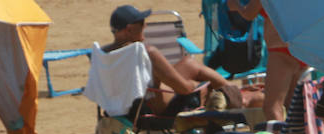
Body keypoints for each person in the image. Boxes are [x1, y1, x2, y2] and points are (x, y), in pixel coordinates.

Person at [103, 5, 243, 115]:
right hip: (160, 110)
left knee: (189, 63)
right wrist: (199, 85)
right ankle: (240, 97)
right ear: (129, 29)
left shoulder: (104, 54)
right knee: (208, 86)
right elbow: (185, 89)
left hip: (125, 110)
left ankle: (236, 92)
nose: (145, 26)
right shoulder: (147, 53)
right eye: (141, 22)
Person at [229, 0, 304, 122]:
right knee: (293, 107)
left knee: (272, 108)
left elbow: (249, 13)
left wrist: (235, 5)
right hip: (302, 49)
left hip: (281, 51)